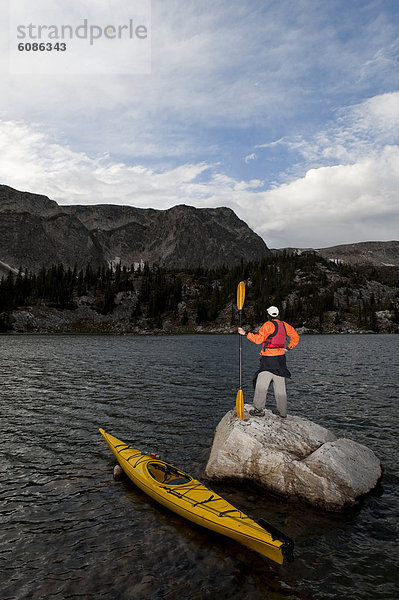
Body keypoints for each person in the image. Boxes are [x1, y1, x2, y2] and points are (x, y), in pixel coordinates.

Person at [238, 305, 299, 418]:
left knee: (261, 384)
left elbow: (259, 340)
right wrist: (289, 347)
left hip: (269, 359)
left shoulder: (268, 325)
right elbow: (295, 337)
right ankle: (282, 412)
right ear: (278, 315)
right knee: (280, 386)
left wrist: (245, 333)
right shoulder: (284, 325)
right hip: (281, 359)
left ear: (268, 316)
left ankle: (259, 409)